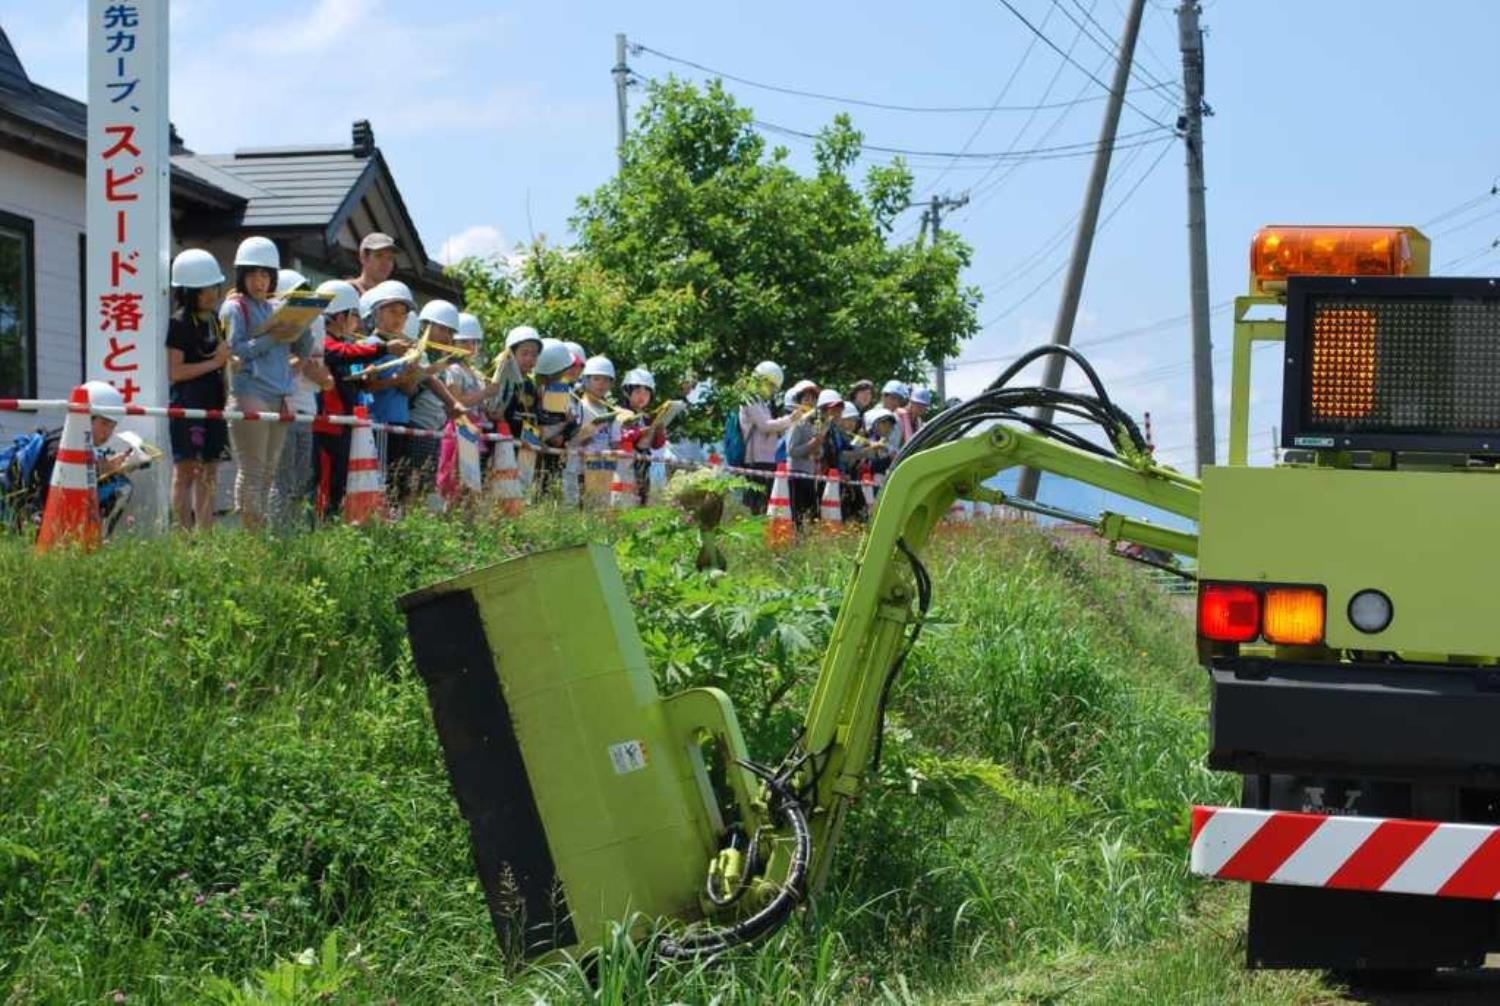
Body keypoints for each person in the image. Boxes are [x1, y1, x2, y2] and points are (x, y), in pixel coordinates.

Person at [221, 236, 313, 530]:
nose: (259, 281)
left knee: (270, 470)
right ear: (242, 275)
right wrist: (274, 336)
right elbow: (235, 350)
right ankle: (251, 533)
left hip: (279, 392)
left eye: (265, 274)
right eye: (252, 273)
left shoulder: (274, 307)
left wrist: (302, 321)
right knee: (253, 468)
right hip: (250, 390)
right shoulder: (235, 307)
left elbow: (303, 350)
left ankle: (256, 530)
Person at [164, 248, 231, 531]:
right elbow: (175, 372)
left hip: (214, 402)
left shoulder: (217, 320)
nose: (213, 292)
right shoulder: (178, 322)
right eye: (206, 288)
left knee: (210, 471)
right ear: (190, 291)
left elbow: (223, 362)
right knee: (185, 471)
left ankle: (205, 536)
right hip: (187, 402)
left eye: (214, 286)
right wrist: (215, 361)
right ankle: (181, 536)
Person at [268, 269, 331, 528]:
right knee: (282, 481)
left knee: (301, 480)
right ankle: (277, 537)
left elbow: (325, 378)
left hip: (306, 410)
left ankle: (294, 538)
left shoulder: (314, 325)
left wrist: (312, 367)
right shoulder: (272, 326)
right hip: (282, 410)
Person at [355, 280, 424, 507]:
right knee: (382, 478)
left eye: (403, 314)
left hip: (400, 420)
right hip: (379, 421)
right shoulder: (371, 344)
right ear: (377, 313)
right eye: (392, 311)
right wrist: (394, 379)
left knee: (399, 478)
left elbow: (409, 390)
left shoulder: (403, 347)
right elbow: (364, 385)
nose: (399, 318)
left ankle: (393, 525)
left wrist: (411, 372)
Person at [309, 280, 375, 518]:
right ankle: (321, 526)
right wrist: (382, 348)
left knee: (340, 480)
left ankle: (333, 523)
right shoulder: (324, 340)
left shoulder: (346, 345)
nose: (357, 323)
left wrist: (365, 376)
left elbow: (355, 376)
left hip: (344, 422)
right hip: (327, 423)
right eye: (355, 315)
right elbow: (339, 354)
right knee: (324, 479)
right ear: (340, 316)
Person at [404, 299, 468, 505]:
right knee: (411, 482)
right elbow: (419, 381)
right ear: (425, 326)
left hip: (435, 429)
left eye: (451, 332)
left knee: (427, 482)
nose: (447, 337)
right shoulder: (417, 352)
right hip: (416, 425)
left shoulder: (443, 362)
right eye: (442, 329)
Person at [737, 361, 797, 515]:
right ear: (762, 380)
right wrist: (790, 419)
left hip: (766, 458)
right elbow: (765, 425)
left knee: (764, 504)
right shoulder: (750, 399)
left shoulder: (761, 402)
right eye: (771, 386)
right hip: (755, 459)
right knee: (757, 504)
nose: (772, 391)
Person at [526, 339, 578, 498]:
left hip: (551, 453)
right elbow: (527, 418)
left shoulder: (561, 391)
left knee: (546, 492)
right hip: (530, 450)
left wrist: (564, 433)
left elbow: (567, 421)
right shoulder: (528, 387)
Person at [572, 355, 618, 507]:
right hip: (581, 469)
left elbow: (614, 442)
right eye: (597, 379)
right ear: (586, 380)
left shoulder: (609, 410)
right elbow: (572, 438)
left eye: (606, 380)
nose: (601, 384)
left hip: (603, 469)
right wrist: (585, 434)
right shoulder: (580, 406)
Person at [617, 367, 667, 506]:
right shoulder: (620, 413)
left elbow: (656, 445)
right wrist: (639, 432)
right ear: (627, 393)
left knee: (643, 501)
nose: (642, 396)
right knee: (625, 500)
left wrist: (660, 433)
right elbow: (621, 438)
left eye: (646, 392)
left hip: (644, 464)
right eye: (638, 391)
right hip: (624, 465)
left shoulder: (648, 417)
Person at [783, 381, 825, 527]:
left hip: (809, 473)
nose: (810, 402)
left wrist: (818, 448)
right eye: (806, 399)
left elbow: (818, 452)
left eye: (813, 399)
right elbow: (791, 450)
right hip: (796, 474)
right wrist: (813, 444)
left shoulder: (813, 423)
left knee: (812, 513)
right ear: (799, 402)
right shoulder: (797, 422)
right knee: (798, 515)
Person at [879, 380, 910, 454]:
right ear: (883, 396)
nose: (896, 403)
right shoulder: (871, 416)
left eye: (899, 399)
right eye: (893, 398)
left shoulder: (898, 420)